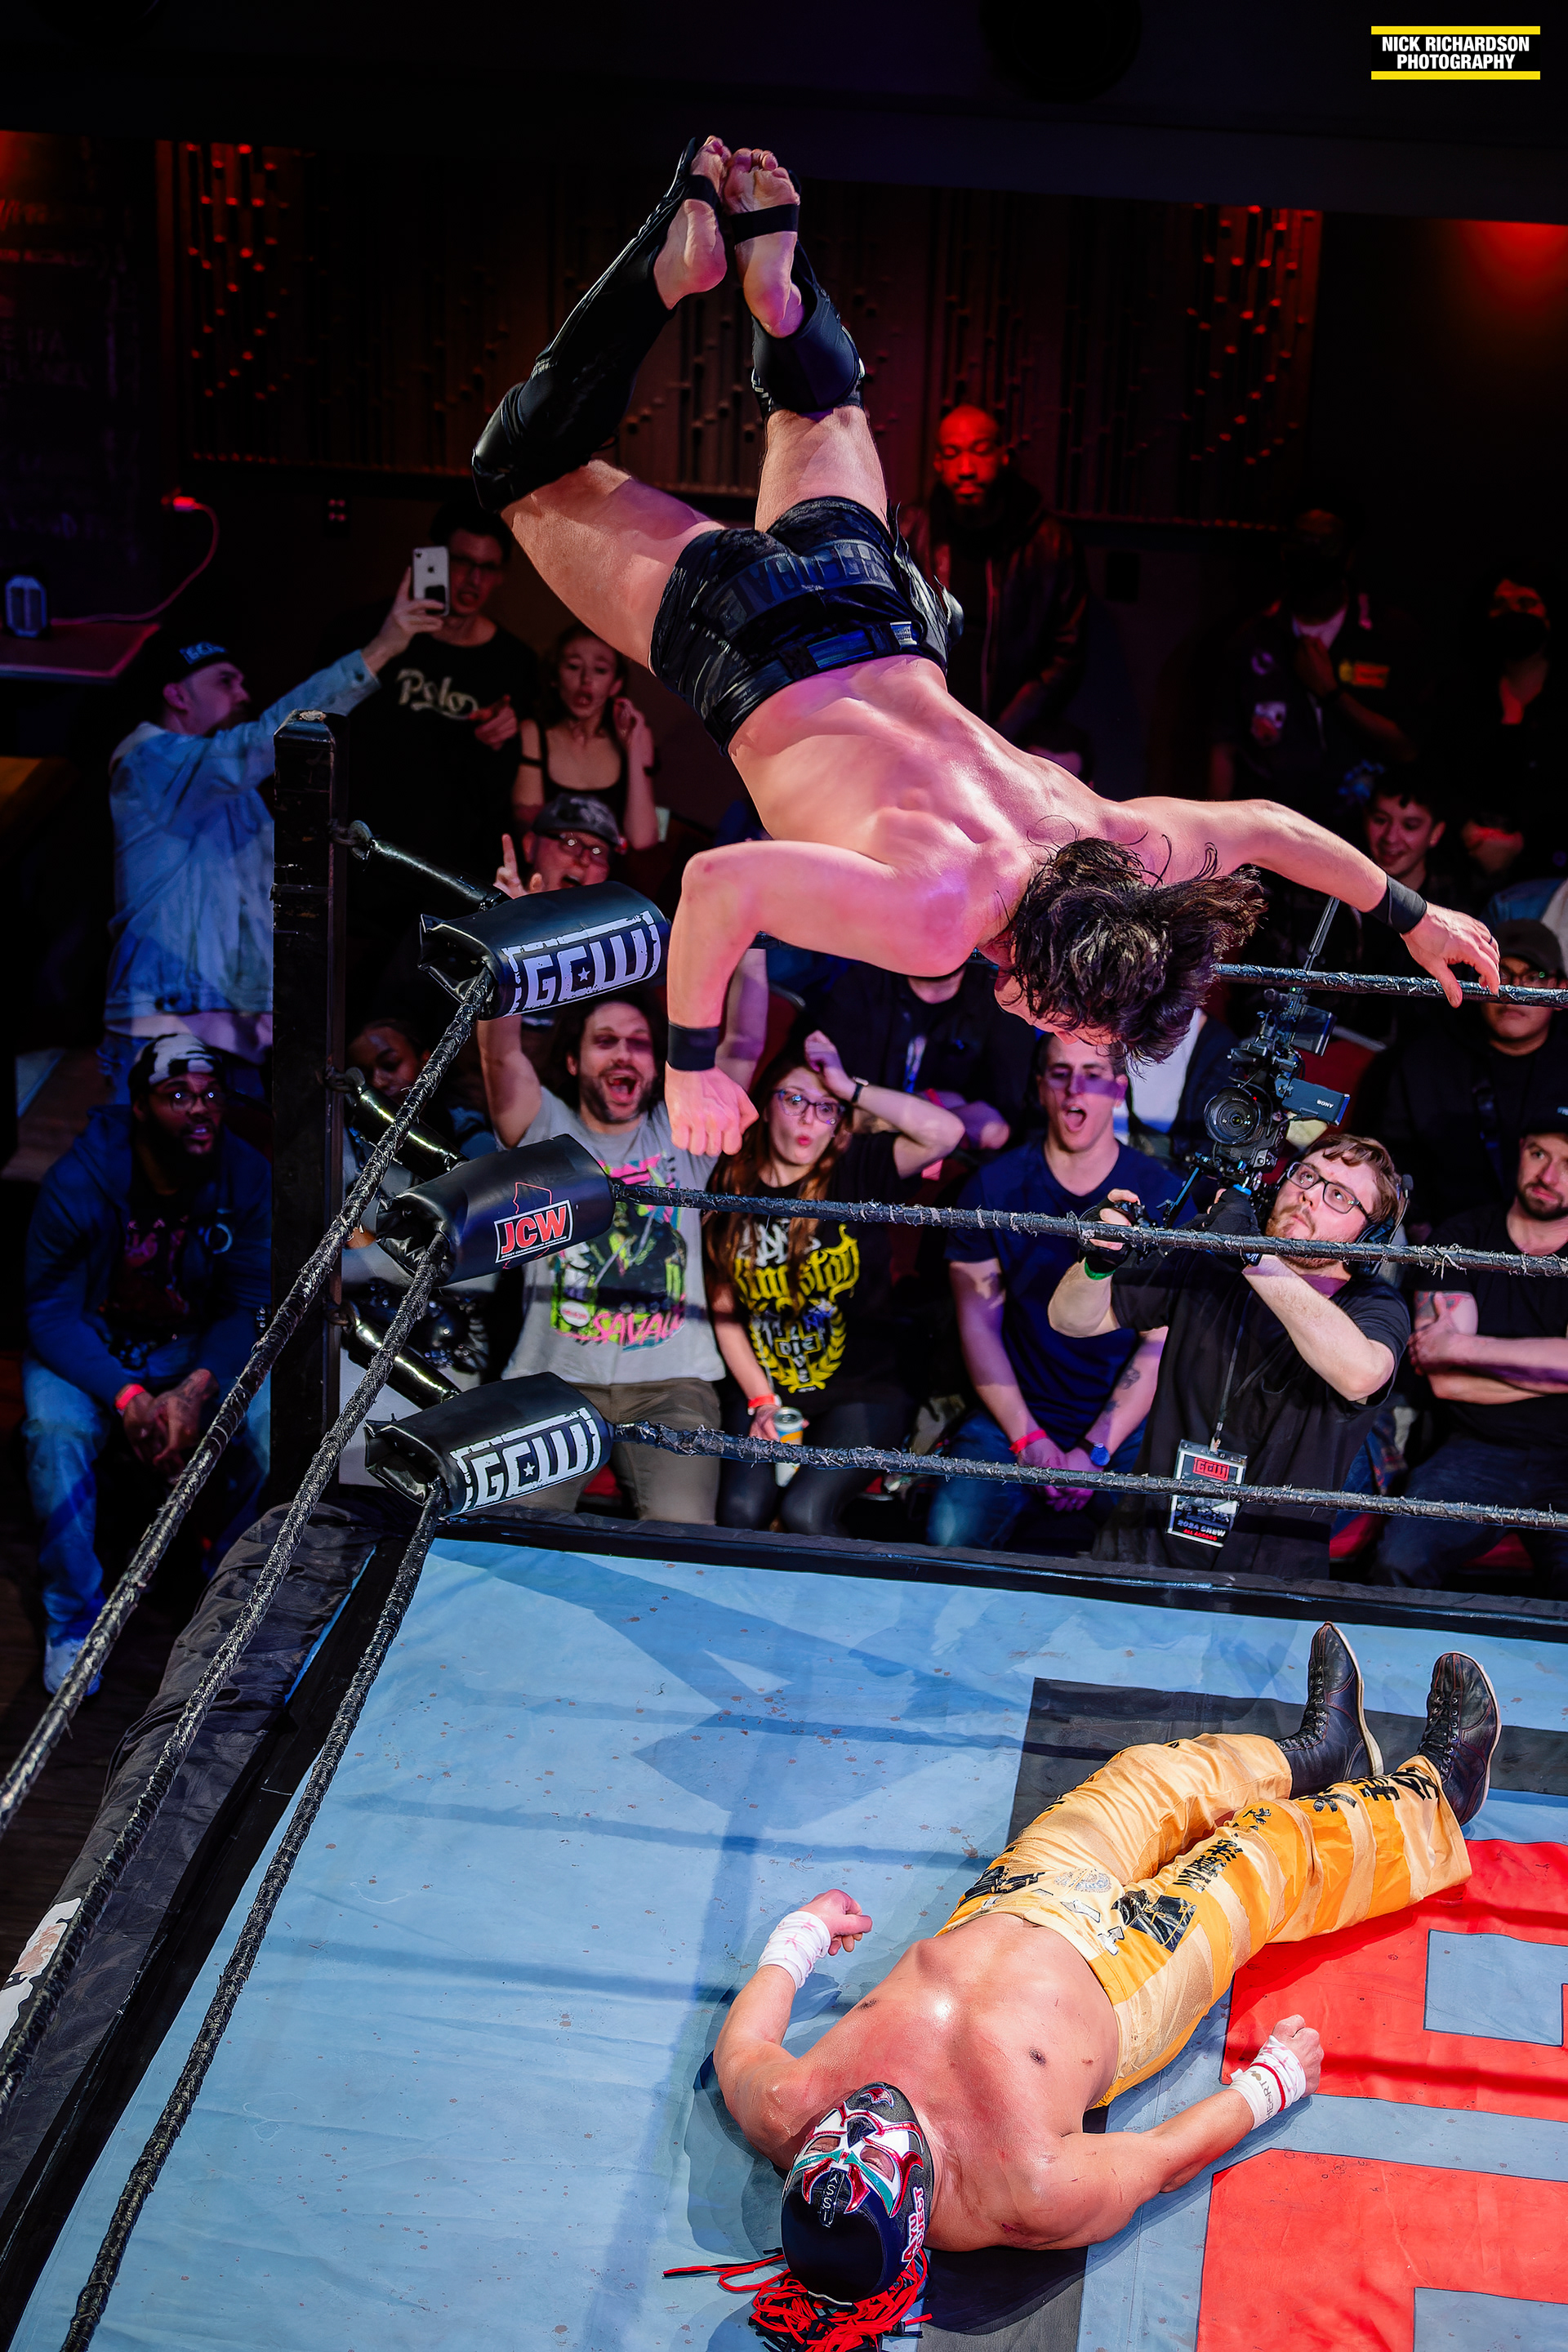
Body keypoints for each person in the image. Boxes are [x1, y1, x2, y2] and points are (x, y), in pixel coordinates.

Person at [468, 136, 1499, 1158]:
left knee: (816, 404)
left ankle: (779, 281)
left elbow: (1270, 830)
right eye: (1077, 1024)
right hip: (755, 645)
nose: (1064, 1041)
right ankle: (671, 264)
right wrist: (692, 1066)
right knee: (517, 470)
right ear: (1061, 980)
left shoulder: (1116, 842)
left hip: (882, 608)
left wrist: (1415, 916)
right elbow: (717, 885)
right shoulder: (939, 918)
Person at [709, 1628, 1498, 2348]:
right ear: (918, 2197)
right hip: (1128, 1977)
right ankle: (1440, 1798)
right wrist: (1271, 2085)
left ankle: (1317, 1756)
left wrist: (801, 1935)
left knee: (1145, 1780)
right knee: (1267, 1853)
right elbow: (1158, 2161)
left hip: (1010, 1899)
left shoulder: (785, 2108)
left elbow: (742, 2043)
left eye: (837, 2132)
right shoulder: (1027, 2194)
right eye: (878, 2143)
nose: (864, 2113)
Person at [100, 598, 430, 1103]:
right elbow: (261, 740)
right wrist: (382, 649)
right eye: (225, 681)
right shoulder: (148, 761)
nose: (243, 692)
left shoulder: (234, 795)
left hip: (237, 1035)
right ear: (177, 695)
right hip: (169, 1026)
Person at [21, 1033, 270, 1692]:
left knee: (276, 1423)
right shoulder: (80, 1179)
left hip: (193, 1348)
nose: (200, 1108)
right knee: (54, 1431)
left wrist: (195, 1388)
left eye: (211, 1094)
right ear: (139, 1107)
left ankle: (231, 1600)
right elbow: (49, 1314)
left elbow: (248, 1303)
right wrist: (128, 1397)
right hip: (95, 1344)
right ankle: (72, 1620)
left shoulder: (246, 1175)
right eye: (177, 1095)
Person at [1049, 1129, 1410, 1579]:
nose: (1309, 1196)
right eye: (1306, 1176)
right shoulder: (1210, 1256)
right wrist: (1097, 1263)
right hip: (1140, 1548)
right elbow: (1070, 1320)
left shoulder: (1375, 1306)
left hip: (1268, 1577)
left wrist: (1253, 1256)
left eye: (1338, 1195)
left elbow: (1362, 1375)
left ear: (1368, 1234)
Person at [476, 964, 765, 1522]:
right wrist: (502, 952)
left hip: (671, 1387)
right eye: (605, 1041)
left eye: (639, 1043)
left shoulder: (680, 1136)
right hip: (552, 1381)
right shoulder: (545, 1133)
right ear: (573, 1061)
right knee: (518, 1534)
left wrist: (748, 938)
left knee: (681, 1538)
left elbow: (744, 1044)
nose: (623, 1054)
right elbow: (500, 1054)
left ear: (656, 1066)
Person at [704, 1031, 962, 1537]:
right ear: (766, 1106)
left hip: (864, 1387)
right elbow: (723, 1308)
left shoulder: (856, 1167)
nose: (808, 1119)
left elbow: (945, 1133)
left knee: (806, 1513)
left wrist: (849, 1087)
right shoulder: (729, 1180)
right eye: (794, 1099)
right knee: (740, 1512)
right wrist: (761, 1400)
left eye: (826, 1108)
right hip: (765, 1381)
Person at [931, 1032, 1180, 1552]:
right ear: (1042, 1086)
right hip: (1016, 1414)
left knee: (1163, 1552)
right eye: (1061, 1073)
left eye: (1092, 1075)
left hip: (1123, 1427)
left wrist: (1094, 1451)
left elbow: (1158, 1344)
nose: (1074, 1090)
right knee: (950, 1533)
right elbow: (979, 1326)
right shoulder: (994, 1188)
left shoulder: (1161, 1195)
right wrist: (1028, 1439)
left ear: (1118, 1090)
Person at [317, 495, 541, 955]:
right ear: (433, 559)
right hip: (363, 864)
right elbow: (312, 724)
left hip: (452, 878)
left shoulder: (514, 663)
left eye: (488, 567)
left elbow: (504, 790)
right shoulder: (365, 632)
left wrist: (496, 739)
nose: (473, 579)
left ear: (501, 575)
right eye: (462, 562)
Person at [1374, 1124, 1568, 1594]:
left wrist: (1463, 1347)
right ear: (1520, 1150)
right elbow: (1445, 1380)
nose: (1549, 1176)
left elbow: (1450, 1355)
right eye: (1539, 1154)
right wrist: (1555, 1371)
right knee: (1399, 1559)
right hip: (1478, 1448)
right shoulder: (1462, 1237)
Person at [1207, 498, 1424, 835]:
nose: (1311, 553)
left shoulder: (1391, 635)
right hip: (1275, 834)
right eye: (1301, 542)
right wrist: (1215, 840)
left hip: (1363, 836)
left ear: (1348, 556)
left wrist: (1331, 692)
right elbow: (1224, 748)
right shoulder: (1251, 640)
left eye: (1325, 544)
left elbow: (1408, 748)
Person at [901, 404, 1087, 755]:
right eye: (953, 454)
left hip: (1016, 741)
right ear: (938, 462)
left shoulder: (1049, 544)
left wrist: (1001, 734)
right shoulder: (910, 533)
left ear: (1004, 456)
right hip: (926, 734)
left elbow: (1066, 654)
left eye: (981, 451)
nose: (966, 469)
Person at [1378, 919, 1568, 1234]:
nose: (1513, 989)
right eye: (1500, 973)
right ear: (1477, 981)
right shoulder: (1427, 1059)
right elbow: (1394, 1157)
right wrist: (1419, 1230)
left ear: (1560, 989)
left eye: (1533, 977)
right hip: (1444, 1240)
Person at [1438, 569, 1568, 889]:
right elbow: (1439, 772)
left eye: (1526, 603)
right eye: (1500, 605)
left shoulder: (1560, 702)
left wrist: (1521, 842)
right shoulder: (1463, 696)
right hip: (1462, 871)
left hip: (1552, 876)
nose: (1512, 614)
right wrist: (1468, 829)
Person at [513, 622, 660, 851]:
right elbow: (530, 836)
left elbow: (642, 839)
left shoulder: (637, 738)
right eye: (573, 666)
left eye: (600, 670)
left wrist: (633, 749)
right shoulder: (533, 733)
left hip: (601, 870)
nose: (586, 679)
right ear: (554, 676)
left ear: (616, 684)